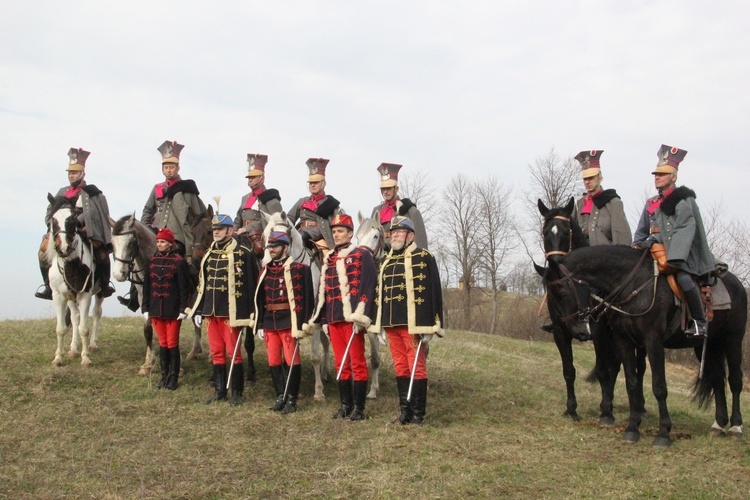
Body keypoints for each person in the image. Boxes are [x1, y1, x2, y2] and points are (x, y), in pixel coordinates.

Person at [632, 145, 714, 337]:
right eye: (655, 174)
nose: (657, 177)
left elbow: (682, 229)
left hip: (680, 253)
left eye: (662, 174)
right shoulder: (651, 203)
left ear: (674, 177)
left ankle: (699, 322)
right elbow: (641, 230)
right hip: (653, 252)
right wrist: (636, 246)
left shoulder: (683, 200)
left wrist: (654, 241)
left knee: (683, 279)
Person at [369, 216, 444, 425]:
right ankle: (405, 413)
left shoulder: (424, 257)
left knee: (416, 367)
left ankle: (418, 415)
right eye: (393, 232)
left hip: (414, 325)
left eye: (399, 232)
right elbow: (379, 294)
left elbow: (434, 292)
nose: (395, 235)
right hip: (391, 325)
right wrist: (379, 325)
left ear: (410, 236)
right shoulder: (385, 262)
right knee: (400, 367)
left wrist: (433, 324)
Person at [305, 214, 376, 421]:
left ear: (351, 234)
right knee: (340, 364)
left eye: (341, 231)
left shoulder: (362, 255)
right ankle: (346, 405)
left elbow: (369, 286)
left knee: (357, 362)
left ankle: (359, 409)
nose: (336, 235)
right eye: (334, 231)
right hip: (334, 319)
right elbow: (324, 292)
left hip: (352, 320)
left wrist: (361, 316)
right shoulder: (330, 258)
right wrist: (325, 320)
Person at [186, 212, 259, 405]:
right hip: (211, 311)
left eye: (219, 229)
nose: (216, 232)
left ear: (230, 230)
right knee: (217, 351)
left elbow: (252, 284)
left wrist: (251, 312)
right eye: (214, 229)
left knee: (233, 352)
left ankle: (236, 393)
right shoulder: (209, 253)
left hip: (230, 312)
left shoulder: (244, 253)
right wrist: (199, 309)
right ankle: (220, 391)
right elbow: (203, 283)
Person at [36, 147, 114, 300]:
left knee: (102, 253)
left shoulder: (90, 192)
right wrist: (52, 224)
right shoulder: (61, 191)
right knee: (42, 252)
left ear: (83, 173)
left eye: (75, 173)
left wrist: (76, 223)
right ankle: (47, 286)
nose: (72, 176)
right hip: (61, 232)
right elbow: (50, 210)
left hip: (83, 230)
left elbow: (90, 213)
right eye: (70, 173)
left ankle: (104, 285)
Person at [233, 153, 283, 385]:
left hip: (260, 240)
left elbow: (274, 220)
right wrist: (234, 230)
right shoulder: (245, 197)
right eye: (249, 177)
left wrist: (249, 229)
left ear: (262, 176)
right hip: (241, 238)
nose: (250, 181)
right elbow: (237, 218)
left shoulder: (270, 198)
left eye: (254, 177)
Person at [254, 229, 315, 414]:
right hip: (269, 321)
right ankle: (280, 395)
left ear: (285, 247)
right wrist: (258, 323)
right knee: (273, 360)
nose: (271, 249)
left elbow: (307, 298)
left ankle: (292, 399)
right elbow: (259, 298)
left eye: (275, 246)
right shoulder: (265, 270)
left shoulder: (301, 270)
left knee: (291, 360)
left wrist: (304, 323)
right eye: (269, 246)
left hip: (289, 321)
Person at [141, 228, 190, 390]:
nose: (160, 244)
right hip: (156, 309)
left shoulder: (179, 261)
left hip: (172, 310)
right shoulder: (152, 261)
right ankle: (164, 375)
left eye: (163, 242)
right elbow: (147, 286)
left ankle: (173, 377)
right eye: (158, 242)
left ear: (170, 244)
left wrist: (183, 308)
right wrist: (145, 307)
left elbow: (184, 287)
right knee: (162, 343)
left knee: (172, 343)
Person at [140, 140, 206, 258]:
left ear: (178, 168)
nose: (169, 170)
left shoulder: (186, 189)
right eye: (166, 167)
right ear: (162, 169)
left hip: (178, 236)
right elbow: (148, 210)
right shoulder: (157, 188)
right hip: (157, 233)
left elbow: (198, 215)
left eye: (171, 167)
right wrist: (146, 227)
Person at [287, 158, 345, 254]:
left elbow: (339, 226)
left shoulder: (331, 204)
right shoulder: (302, 201)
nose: (313, 185)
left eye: (316, 182)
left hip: (319, 233)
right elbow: (289, 218)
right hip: (300, 231)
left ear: (324, 183)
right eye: (311, 183)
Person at [573, 150, 632, 246]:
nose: (587, 182)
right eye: (585, 179)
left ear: (600, 178)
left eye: (591, 178)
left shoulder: (613, 203)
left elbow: (623, 241)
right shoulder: (579, 204)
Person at [370, 163, 428, 250]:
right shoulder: (376, 211)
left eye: (389, 188)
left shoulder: (410, 211)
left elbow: (420, 240)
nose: (386, 192)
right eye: (383, 189)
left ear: (396, 189)